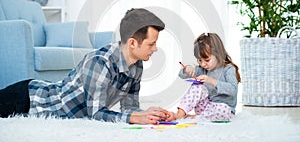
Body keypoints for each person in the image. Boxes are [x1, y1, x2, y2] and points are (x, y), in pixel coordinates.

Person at [0, 8, 175, 124]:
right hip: (28, 99)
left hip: (40, 95)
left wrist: (150, 114)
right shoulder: (100, 62)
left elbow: (129, 108)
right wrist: (137, 117)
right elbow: (96, 114)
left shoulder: (136, 65)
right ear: (132, 43)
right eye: (151, 44)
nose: (155, 49)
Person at [173, 32, 241, 121]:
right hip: (205, 108)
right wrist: (187, 69)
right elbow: (181, 75)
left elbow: (233, 90)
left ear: (218, 54)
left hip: (224, 110)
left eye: (207, 60)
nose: (203, 64)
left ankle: (196, 118)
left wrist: (211, 80)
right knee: (197, 87)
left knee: (224, 111)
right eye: (200, 60)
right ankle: (180, 114)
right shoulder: (202, 69)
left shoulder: (228, 69)